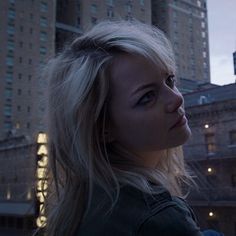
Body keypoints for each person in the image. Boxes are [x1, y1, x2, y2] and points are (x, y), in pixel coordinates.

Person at [43, 20, 221, 236]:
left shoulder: (87, 202)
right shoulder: (159, 220)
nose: (176, 98)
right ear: (102, 128)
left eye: (170, 80)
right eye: (147, 97)